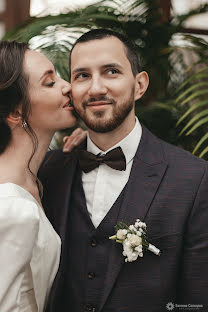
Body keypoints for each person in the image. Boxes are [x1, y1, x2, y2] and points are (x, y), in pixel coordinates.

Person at [39, 29, 208, 312]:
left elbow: (196, 302)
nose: (95, 88)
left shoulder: (193, 178)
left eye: (111, 72)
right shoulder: (48, 171)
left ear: (140, 85)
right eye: (82, 75)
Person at [0, 40, 86, 312]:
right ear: (16, 112)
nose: (67, 87)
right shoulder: (12, 208)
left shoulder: (38, 179)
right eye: (50, 83)